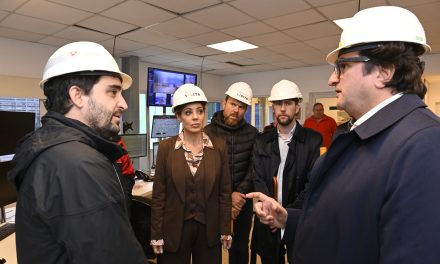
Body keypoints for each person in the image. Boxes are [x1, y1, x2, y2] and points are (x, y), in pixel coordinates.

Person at [247, 6, 440, 264]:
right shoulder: (360, 133)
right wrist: (286, 218)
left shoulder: (424, 144)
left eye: (343, 66)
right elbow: (342, 222)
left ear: (384, 71)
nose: (331, 79)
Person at [7, 41, 146, 263]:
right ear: (77, 95)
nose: (123, 104)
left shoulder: (54, 150)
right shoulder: (77, 164)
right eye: (113, 92)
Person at [150, 84, 232, 264]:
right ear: (178, 116)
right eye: (188, 112)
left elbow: (225, 193)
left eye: (200, 111)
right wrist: (156, 232)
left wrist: (226, 228)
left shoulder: (218, 147)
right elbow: (159, 196)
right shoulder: (166, 148)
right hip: (174, 229)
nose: (195, 117)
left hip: (208, 229)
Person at [250, 80, 322, 264]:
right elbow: (257, 177)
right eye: (278, 104)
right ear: (273, 107)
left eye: (288, 103)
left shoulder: (313, 140)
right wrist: (270, 210)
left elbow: (312, 183)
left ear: (297, 107)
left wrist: (286, 214)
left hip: (298, 217)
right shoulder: (261, 141)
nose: (283, 109)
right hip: (267, 219)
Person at [204, 81, 258, 264]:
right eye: (233, 104)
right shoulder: (207, 133)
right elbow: (205, 169)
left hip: (243, 201)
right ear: (224, 103)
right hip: (215, 199)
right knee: (210, 245)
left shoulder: (252, 133)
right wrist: (227, 197)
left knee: (240, 247)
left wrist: (239, 195)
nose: (236, 110)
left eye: (241, 107)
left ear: (246, 110)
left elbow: (254, 167)